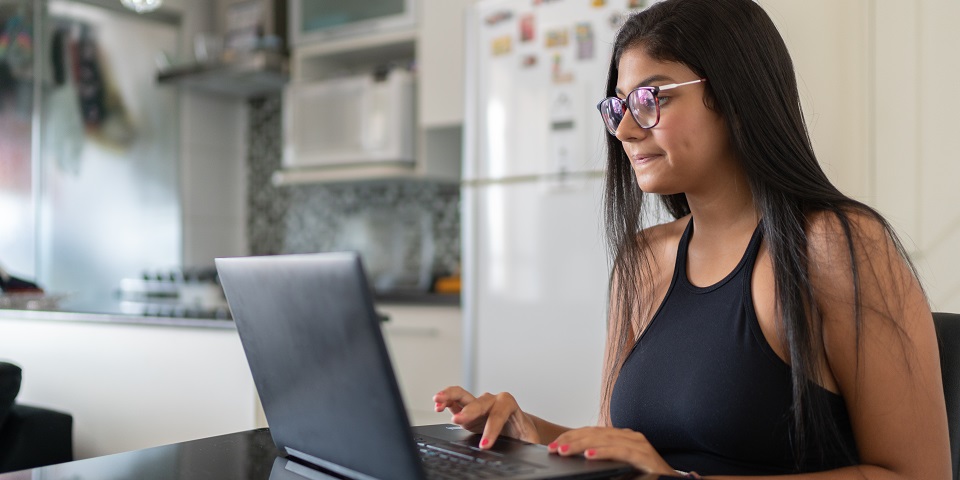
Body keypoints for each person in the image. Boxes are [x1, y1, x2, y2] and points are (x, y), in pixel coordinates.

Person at [434, 0, 952, 478]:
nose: (625, 130)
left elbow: (917, 475)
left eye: (650, 98)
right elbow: (618, 448)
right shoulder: (642, 261)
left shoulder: (837, 248)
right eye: (618, 106)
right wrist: (528, 432)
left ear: (733, 95)